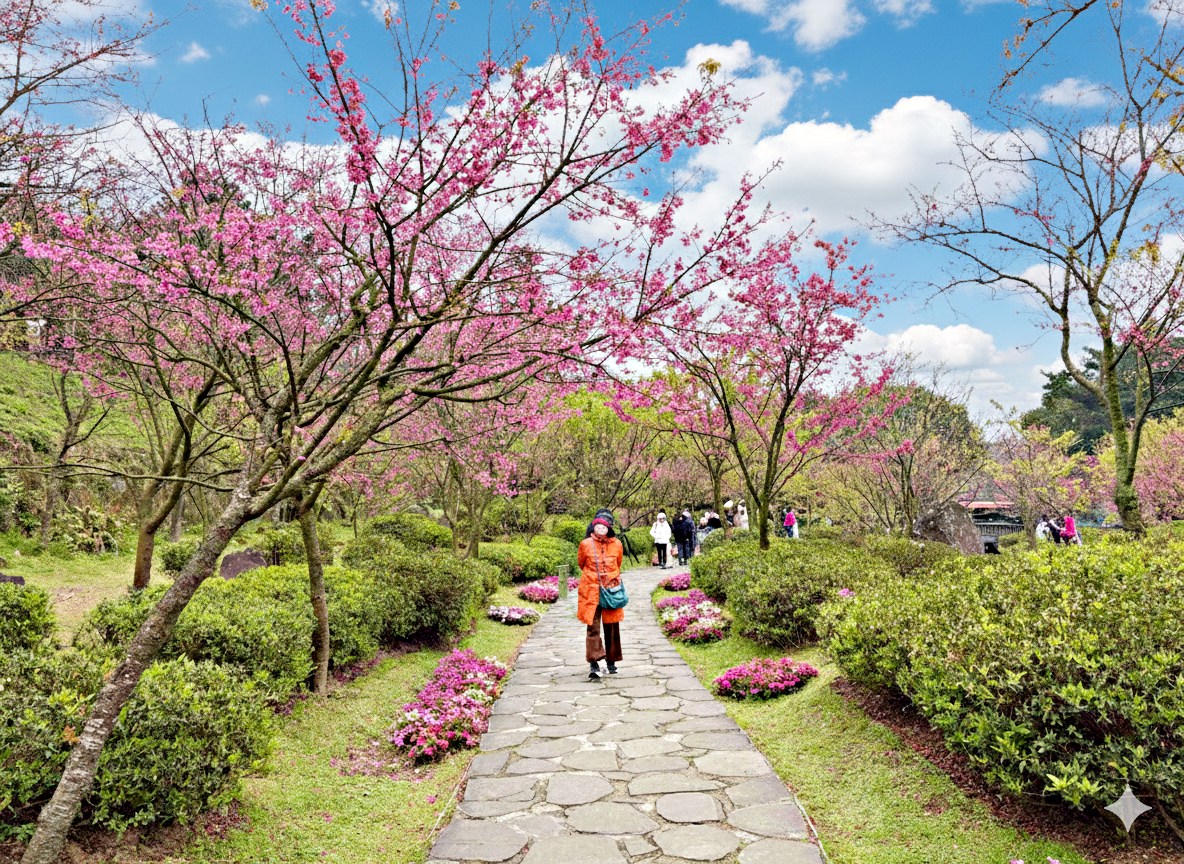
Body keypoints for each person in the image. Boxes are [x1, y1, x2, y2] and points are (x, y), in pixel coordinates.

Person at [578, 515, 625, 679]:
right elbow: (581, 563)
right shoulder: (585, 544)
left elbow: (618, 563)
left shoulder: (617, 544)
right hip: (591, 590)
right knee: (593, 627)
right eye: (597, 527)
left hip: (611, 589)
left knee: (612, 626)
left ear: (609, 529)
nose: (601, 530)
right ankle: (594, 662)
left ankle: (612, 661)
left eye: (604, 527)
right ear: (593, 528)